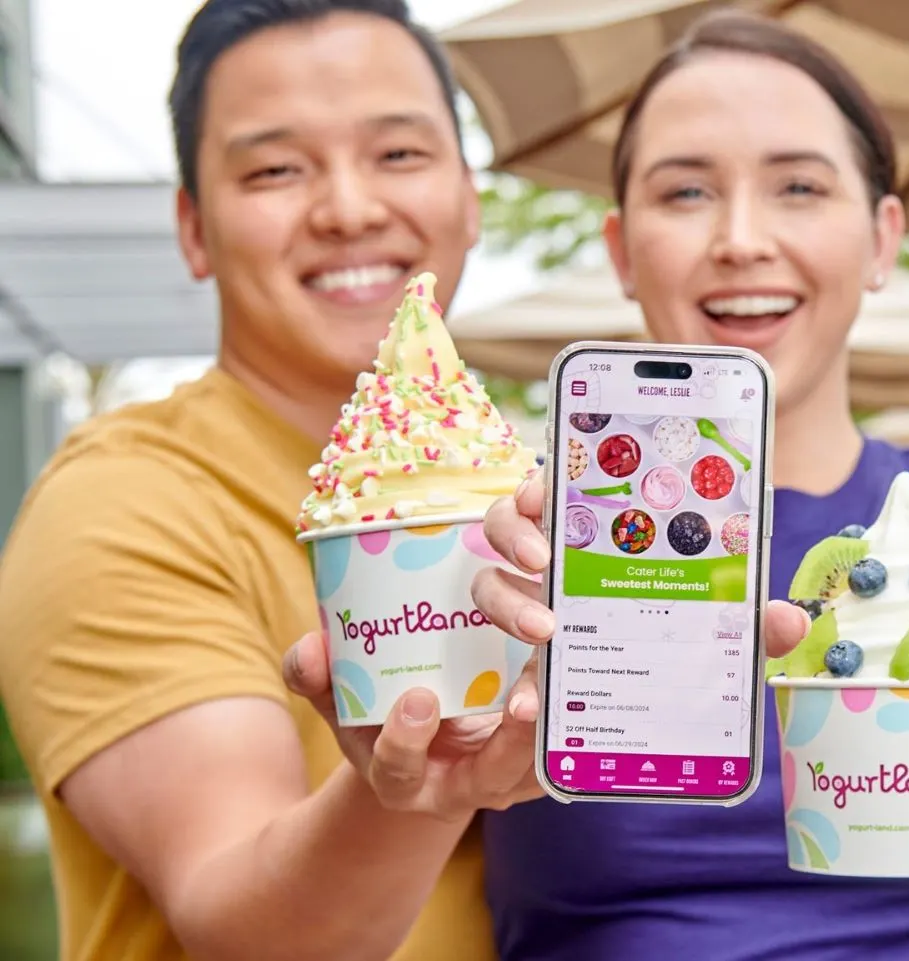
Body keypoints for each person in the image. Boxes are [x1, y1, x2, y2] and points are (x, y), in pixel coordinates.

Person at [470, 10, 909, 961]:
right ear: (620, 247)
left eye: (800, 187)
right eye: (686, 190)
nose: (741, 237)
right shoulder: (521, 552)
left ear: (882, 237)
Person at [0, 2, 580, 959]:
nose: (349, 207)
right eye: (275, 169)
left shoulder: (529, 500)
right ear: (193, 227)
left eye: (397, 154)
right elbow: (246, 925)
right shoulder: (123, 502)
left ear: (470, 199)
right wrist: (416, 790)